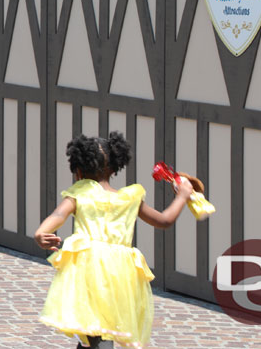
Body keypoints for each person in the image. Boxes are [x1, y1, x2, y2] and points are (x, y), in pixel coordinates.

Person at [33, 133, 194, 348]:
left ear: (78, 171)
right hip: (120, 274)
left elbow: (58, 215)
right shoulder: (129, 198)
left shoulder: (80, 193)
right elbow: (164, 220)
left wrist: (41, 232)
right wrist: (182, 195)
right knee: (98, 329)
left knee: (95, 331)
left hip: (87, 269)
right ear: (115, 167)